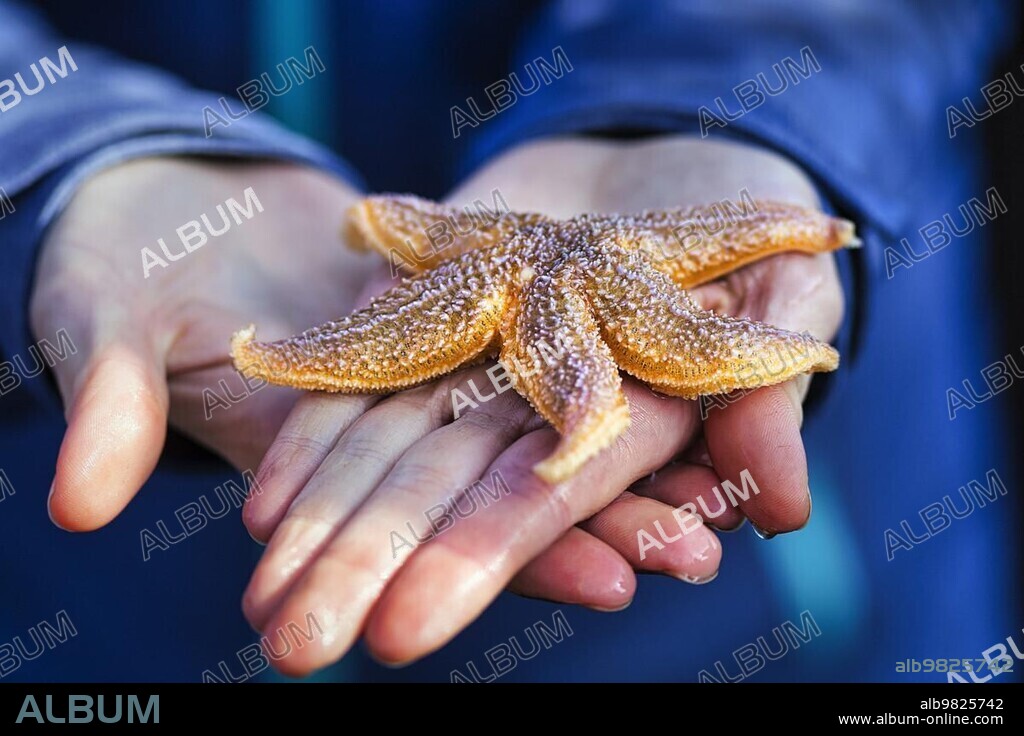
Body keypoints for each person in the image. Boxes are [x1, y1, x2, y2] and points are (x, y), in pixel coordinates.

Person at [0, 0, 1016, 682]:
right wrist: (71, 148)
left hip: (819, 612)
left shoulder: (576, 257)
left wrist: (742, 115)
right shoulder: (483, 253)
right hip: (122, 626)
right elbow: (410, 235)